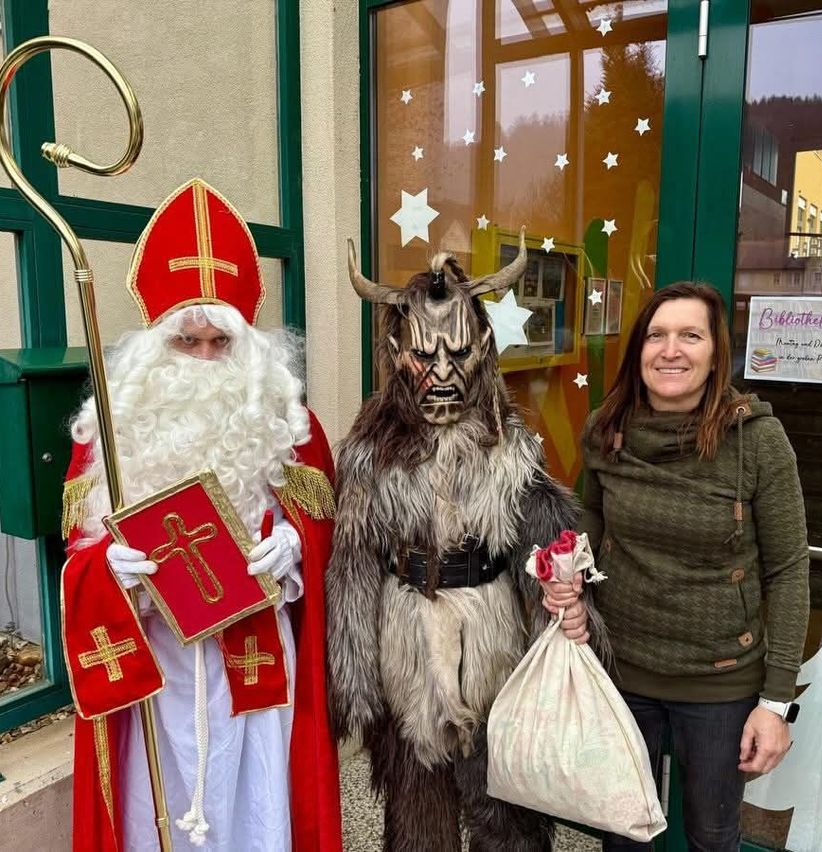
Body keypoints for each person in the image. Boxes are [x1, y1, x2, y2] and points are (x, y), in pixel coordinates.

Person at [61, 179, 342, 851]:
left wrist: (297, 552)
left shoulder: (290, 427)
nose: (210, 361)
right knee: (152, 817)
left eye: (223, 342)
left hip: (256, 668)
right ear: (159, 344)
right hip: (153, 676)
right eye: (191, 344)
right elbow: (75, 556)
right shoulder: (108, 434)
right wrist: (110, 569)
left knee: (257, 816)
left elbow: (327, 529)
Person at [326, 235, 597, 852]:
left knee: (506, 803)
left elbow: (544, 537)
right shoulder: (369, 455)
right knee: (415, 808)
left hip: (493, 639)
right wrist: (354, 678)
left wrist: (565, 599)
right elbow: (352, 567)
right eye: (425, 354)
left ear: (482, 352)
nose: (443, 374)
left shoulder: (510, 446)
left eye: (457, 353)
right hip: (405, 643)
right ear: (397, 354)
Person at [545, 282, 810, 851]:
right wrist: (568, 573)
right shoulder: (607, 429)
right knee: (622, 832)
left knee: (713, 837)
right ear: (638, 349)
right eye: (657, 335)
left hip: (720, 683)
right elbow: (592, 515)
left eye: (691, 335)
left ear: (717, 353)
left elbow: (788, 570)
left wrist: (773, 702)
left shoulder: (757, 442)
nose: (671, 350)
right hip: (621, 669)